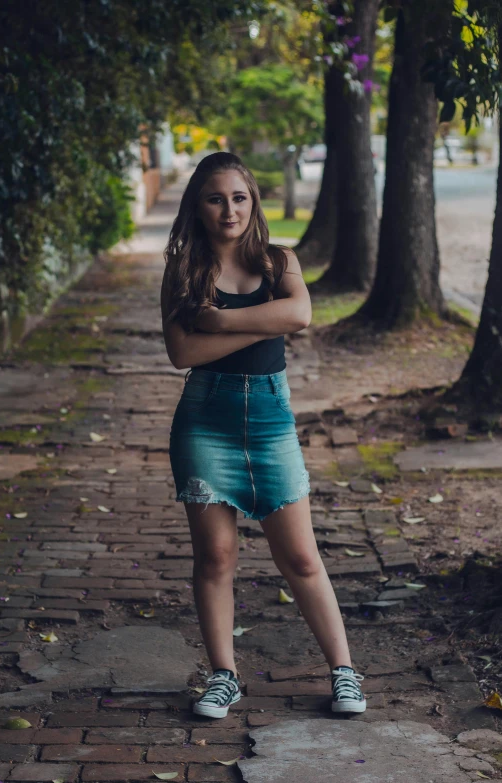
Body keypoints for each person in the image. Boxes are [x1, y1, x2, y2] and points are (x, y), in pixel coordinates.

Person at [160, 151, 366, 719]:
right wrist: (259, 323)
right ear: (197, 207)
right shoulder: (183, 269)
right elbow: (182, 353)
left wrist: (220, 320)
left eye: (239, 197)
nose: (229, 210)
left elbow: (298, 316)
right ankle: (224, 675)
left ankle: (344, 672)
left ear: (253, 201)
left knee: (300, 557)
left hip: (271, 423)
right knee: (215, 556)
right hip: (205, 421)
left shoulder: (280, 262)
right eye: (215, 199)